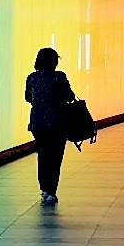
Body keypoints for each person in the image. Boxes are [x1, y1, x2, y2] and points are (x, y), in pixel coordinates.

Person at [23, 45, 84, 204]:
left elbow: (28, 98)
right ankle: (51, 191)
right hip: (58, 123)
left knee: (43, 156)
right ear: (54, 62)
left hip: (38, 123)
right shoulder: (59, 77)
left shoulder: (31, 78)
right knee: (55, 158)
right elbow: (69, 97)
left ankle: (44, 189)